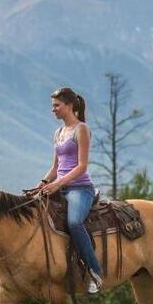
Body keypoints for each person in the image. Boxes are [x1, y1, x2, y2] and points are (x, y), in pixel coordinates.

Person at [36, 87, 102, 293]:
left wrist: (58, 184)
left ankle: (95, 272)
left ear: (70, 106)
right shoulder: (58, 132)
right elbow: (56, 167)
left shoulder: (81, 129)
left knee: (74, 223)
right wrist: (43, 182)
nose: (53, 110)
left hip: (80, 188)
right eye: (52, 106)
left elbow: (81, 166)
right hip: (60, 186)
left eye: (56, 105)